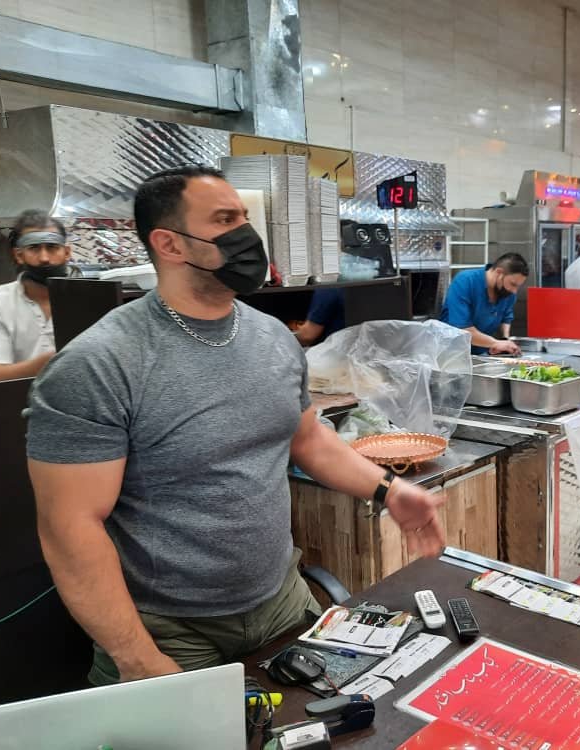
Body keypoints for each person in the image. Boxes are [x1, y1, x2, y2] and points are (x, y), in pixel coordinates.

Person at [25, 165, 445, 686]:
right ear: (169, 244)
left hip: (281, 600)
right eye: (225, 220)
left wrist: (388, 490)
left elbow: (309, 440)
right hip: (168, 629)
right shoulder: (99, 364)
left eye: (245, 218)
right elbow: (70, 528)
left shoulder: (273, 338)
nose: (248, 234)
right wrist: (135, 656)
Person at [0, 210, 72, 382]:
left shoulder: (88, 300)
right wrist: (53, 361)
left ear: (67, 253)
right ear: (19, 255)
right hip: (13, 397)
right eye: (34, 248)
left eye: (52, 247)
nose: (44, 258)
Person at [439, 253, 528, 355]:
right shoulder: (465, 281)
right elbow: (463, 330)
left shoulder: (507, 292)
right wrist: (495, 343)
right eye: (513, 284)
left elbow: (506, 317)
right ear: (499, 272)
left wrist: (504, 341)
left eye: (518, 286)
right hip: (450, 353)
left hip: (481, 354)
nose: (514, 291)